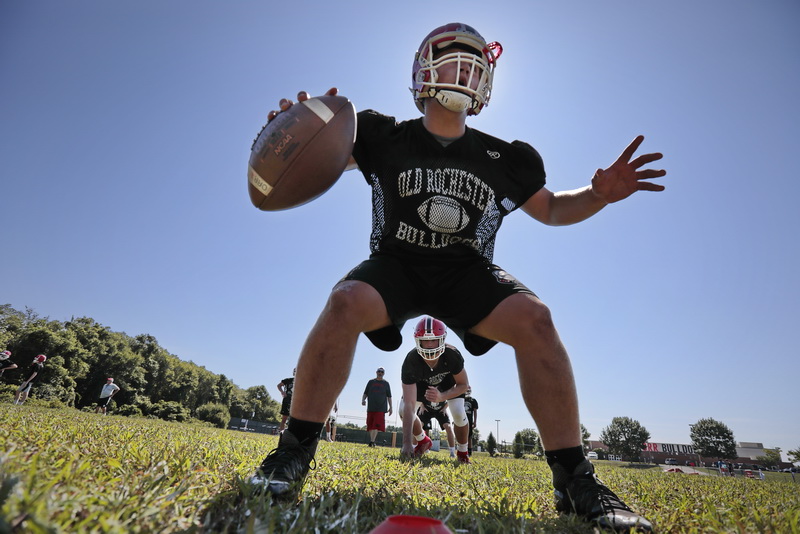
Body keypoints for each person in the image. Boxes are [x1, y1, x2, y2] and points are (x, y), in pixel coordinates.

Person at [250, 22, 664, 532]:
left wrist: (598, 194)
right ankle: (292, 452)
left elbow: (553, 209)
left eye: (477, 61)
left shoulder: (505, 157)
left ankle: (575, 478)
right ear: (423, 69)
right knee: (346, 301)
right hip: (397, 264)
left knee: (536, 319)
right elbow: (317, 153)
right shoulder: (382, 134)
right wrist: (293, 132)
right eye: (454, 57)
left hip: (468, 271)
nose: (467, 69)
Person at [400, 317, 470, 463]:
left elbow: (463, 385)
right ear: (417, 341)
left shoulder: (452, 355)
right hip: (421, 386)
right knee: (402, 409)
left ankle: (462, 453)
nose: (430, 345)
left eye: (434, 340)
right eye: (425, 340)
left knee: (458, 411)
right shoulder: (411, 361)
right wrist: (406, 443)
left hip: (448, 385)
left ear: (442, 339)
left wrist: (442, 396)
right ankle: (422, 440)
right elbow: (409, 404)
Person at [361, 367, 393, 447]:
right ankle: (372, 441)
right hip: (371, 407)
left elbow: (389, 396)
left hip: (381, 408)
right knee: (370, 425)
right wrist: (363, 400)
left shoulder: (386, 383)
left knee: (376, 425)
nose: (380, 373)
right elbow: (365, 393)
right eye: (379, 371)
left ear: (383, 373)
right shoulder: (371, 382)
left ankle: (372, 441)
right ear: (376, 372)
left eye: (382, 372)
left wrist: (391, 407)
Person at [277, 368, 296, 433]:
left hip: (296, 401)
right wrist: (282, 392)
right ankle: (281, 432)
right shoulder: (288, 380)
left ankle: (292, 433)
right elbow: (279, 385)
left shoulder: (302, 381)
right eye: (295, 371)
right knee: (284, 417)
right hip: (287, 400)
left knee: (295, 418)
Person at [463, 387, 479, 455]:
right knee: (461, 435)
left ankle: (469, 451)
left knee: (469, 436)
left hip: (469, 420)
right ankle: (463, 450)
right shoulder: (461, 399)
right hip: (462, 419)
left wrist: (475, 422)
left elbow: (475, 411)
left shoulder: (473, 400)